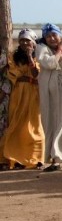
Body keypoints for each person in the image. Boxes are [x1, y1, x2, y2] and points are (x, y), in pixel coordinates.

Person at [37, 23, 62, 172]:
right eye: (48, 36)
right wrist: (60, 51)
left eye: (54, 35)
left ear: (60, 35)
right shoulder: (42, 49)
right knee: (51, 124)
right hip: (49, 96)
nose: (52, 38)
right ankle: (55, 160)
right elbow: (49, 63)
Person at [2, 28, 44, 170]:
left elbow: (36, 74)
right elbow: (14, 74)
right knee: (17, 125)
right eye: (22, 41)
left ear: (33, 42)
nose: (25, 43)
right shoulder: (14, 56)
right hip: (19, 93)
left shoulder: (39, 55)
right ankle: (16, 158)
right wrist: (26, 76)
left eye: (28, 40)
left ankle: (36, 158)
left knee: (34, 127)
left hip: (34, 94)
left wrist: (30, 57)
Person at [0, 39, 11, 171]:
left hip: (2, 96)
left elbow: (7, 79)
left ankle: (3, 159)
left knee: (3, 130)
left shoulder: (4, 54)